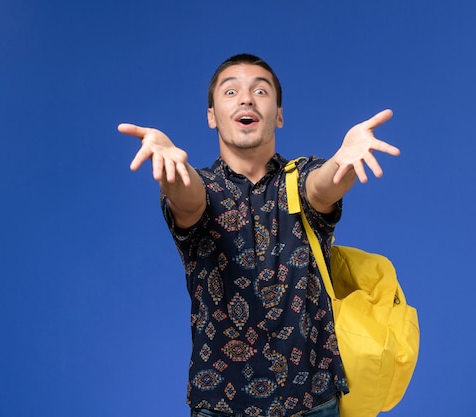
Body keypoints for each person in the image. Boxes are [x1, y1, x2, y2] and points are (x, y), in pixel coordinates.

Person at [118, 53, 400, 417]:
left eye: (261, 91)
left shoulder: (299, 180)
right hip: (220, 405)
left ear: (279, 114)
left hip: (312, 404)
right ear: (212, 116)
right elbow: (188, 199)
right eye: (231, 90)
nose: (246, 98)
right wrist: (173, 172)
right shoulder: (203, 188)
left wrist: (345, 161)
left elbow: (324, 186)